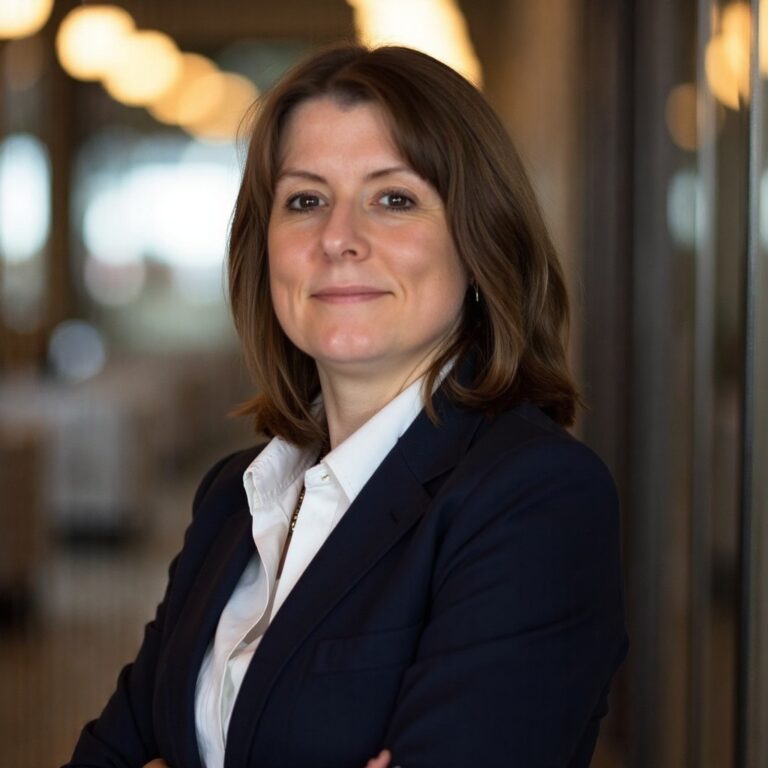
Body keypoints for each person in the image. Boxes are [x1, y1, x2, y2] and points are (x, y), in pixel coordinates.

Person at [65, 43, 628, 768]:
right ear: (263, 249)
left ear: (482, 242)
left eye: (393, 199)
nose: (338, 239)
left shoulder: (535, 499)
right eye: (305, 200)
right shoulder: (233, 502)